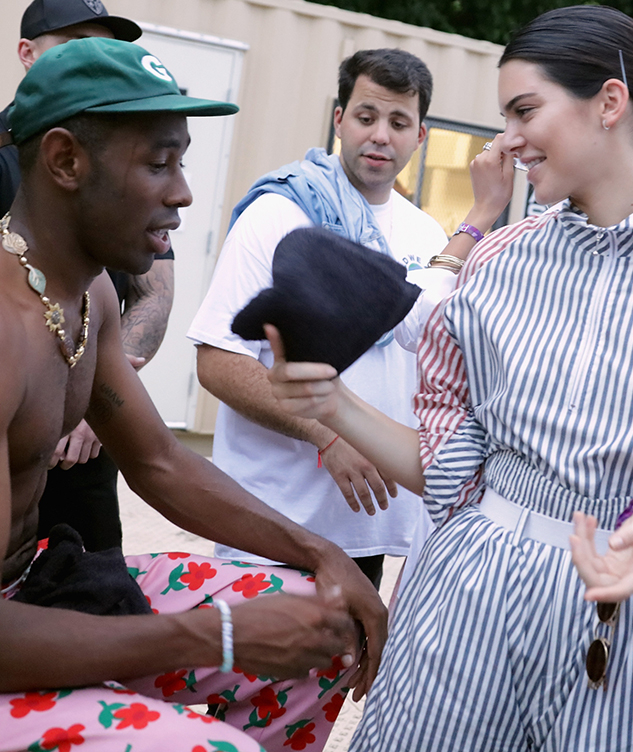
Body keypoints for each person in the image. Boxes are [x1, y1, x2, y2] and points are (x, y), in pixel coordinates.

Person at [267, 6, 633, 752]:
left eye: (524, 110)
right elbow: (450, 470)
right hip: (464, 594)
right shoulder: (501, 259)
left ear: (609, 103)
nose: (507, 140)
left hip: (630, 612)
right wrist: (331, 403)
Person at [0, 36, 387, 752]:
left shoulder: (89, 291)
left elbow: (161, 461)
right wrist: (221, 635)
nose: (183, 192)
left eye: (183, 161)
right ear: (67, 161)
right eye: (159, 162)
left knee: (318, 620)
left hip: (29, 587)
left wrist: (323, 552)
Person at [187, 48, 513, 589]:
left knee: (349, 672)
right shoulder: (281, 213)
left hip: (372, 524)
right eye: (366, 116)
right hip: (276, 522)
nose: (381, 135)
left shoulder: (427, 234)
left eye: (398, 122)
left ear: (421, 136)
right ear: (339, 119)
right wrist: (328, 436)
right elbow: (217, 361)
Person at [0, 0, 170, 552]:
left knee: (95, 600)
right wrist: (73, 392)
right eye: (73, 45)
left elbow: (153, 292)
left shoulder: (120, 170)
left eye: (106, 49)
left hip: (89, 442)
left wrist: (101, 398)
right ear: (27, 54)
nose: (93, 62)